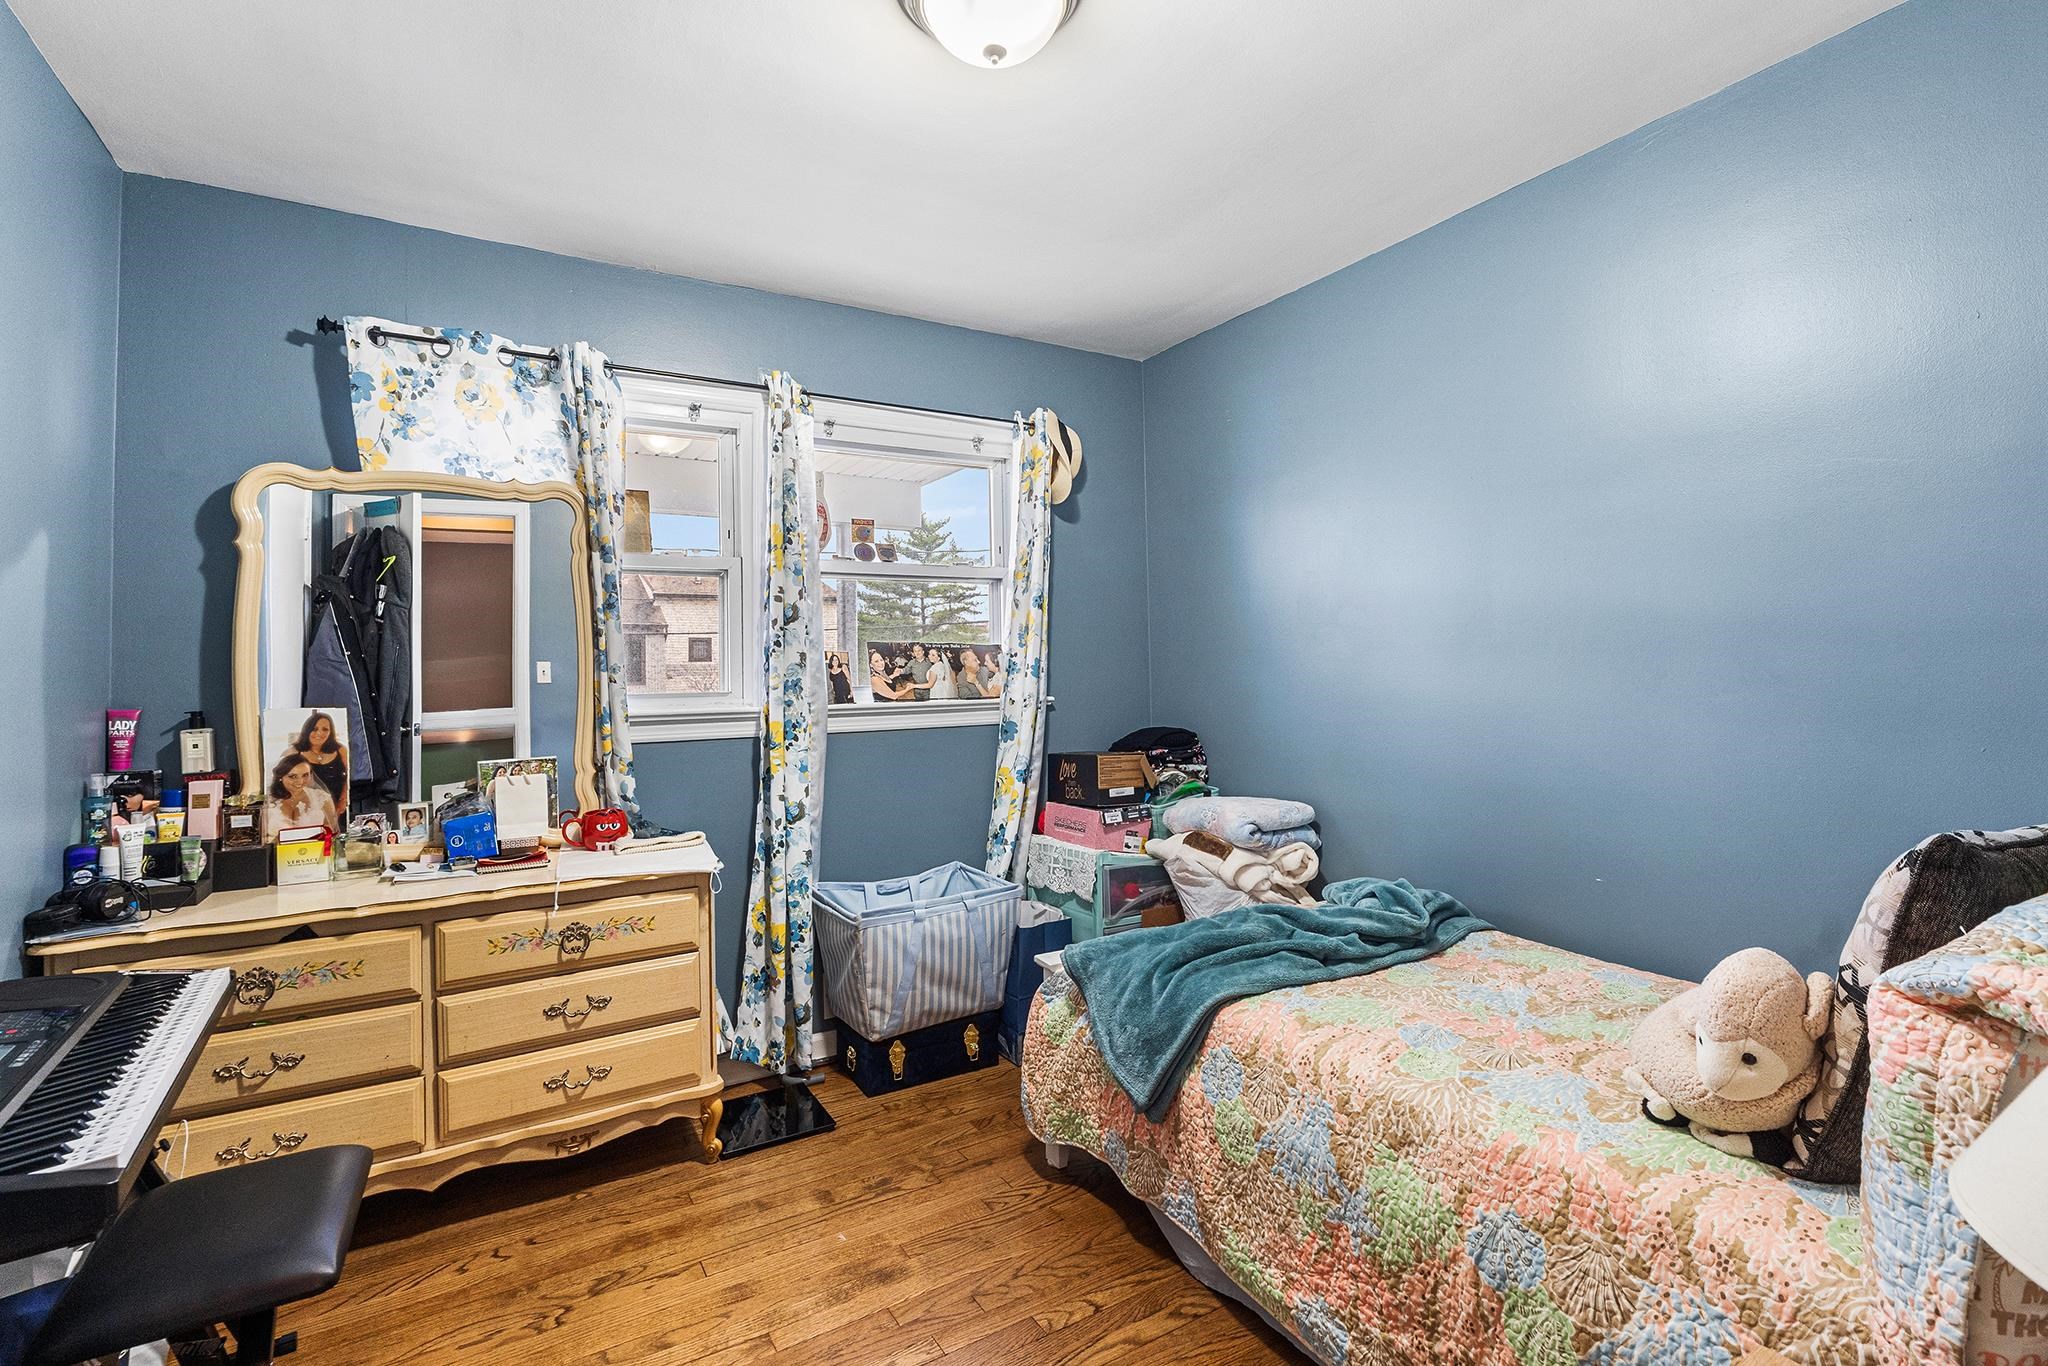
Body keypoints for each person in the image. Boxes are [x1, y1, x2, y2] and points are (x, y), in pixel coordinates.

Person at [266, 752, 339, 836]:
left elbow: (331, 833)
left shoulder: (322, 798)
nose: (300, 781)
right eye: (293, 776)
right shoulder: (267, 802)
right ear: (280, 777)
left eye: (305, 775)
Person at [292, 711, 349, 817]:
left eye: (325, 729)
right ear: (307, 731)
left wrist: (343, 799)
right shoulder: (296, 752)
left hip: (337, 808)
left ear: (330, 732)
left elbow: (346, 777)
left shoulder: (341, 750)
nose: (319, 733)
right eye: (314, 729)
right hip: (308, 811)